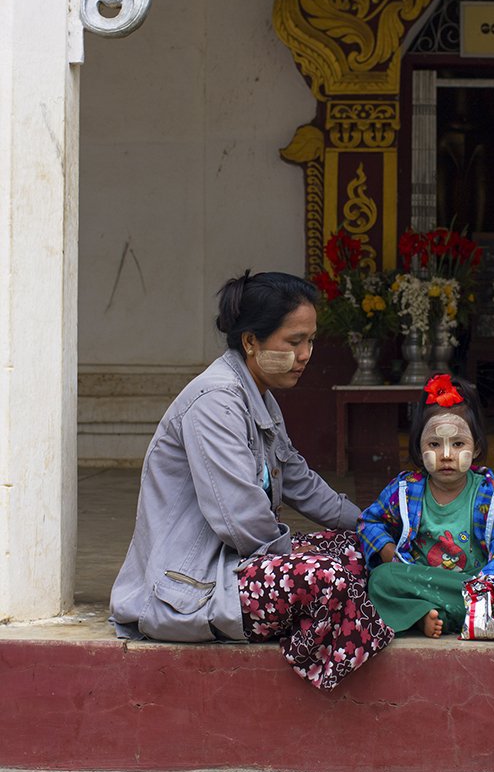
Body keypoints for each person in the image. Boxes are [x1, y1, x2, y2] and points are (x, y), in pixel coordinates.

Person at [110, 270, 393, 690]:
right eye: (293, 342)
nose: (306, 354)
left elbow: (299, 480)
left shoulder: (258, 395)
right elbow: (241, 520)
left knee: (355, 551)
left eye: (310, 341)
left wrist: (374, 526)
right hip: (190, 589)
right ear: (250, 342)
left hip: (241, 562)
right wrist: (298, 561)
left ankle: (339, 622)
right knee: (328, 576)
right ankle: (321, 654)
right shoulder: (215, 403)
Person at [357, 373, 494, 640]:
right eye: (434, 444)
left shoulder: (490, 494)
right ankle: (477, 618)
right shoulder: (405, 489)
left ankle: (438, 615)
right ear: (418, 448)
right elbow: (369, 522)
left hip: (479, 582)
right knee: (381, 580)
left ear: (477, 448)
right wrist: (389, 553)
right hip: (422, 579)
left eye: (458, 444)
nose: (446, 455)